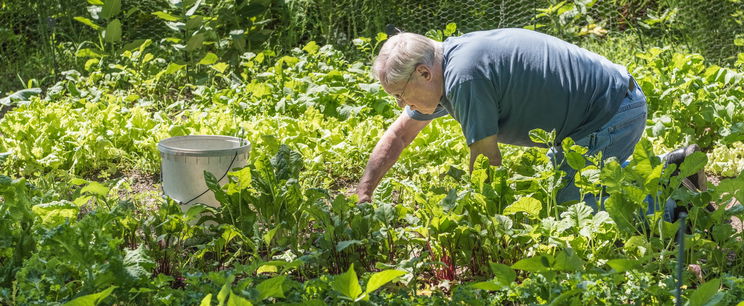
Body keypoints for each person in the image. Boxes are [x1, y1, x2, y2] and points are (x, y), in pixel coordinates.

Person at [355, 28, 705, 213]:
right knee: (567, 189)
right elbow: (399, 136)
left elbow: (487, 163)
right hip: (608, 108)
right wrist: (364, 191)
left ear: (423, 73)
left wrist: (485, 220)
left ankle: (681, 204)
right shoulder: (447, 69)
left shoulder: (465, 78)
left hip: (609, 113)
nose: (402, 104)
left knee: (572, 205)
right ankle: (672, 167)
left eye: (401, 94)